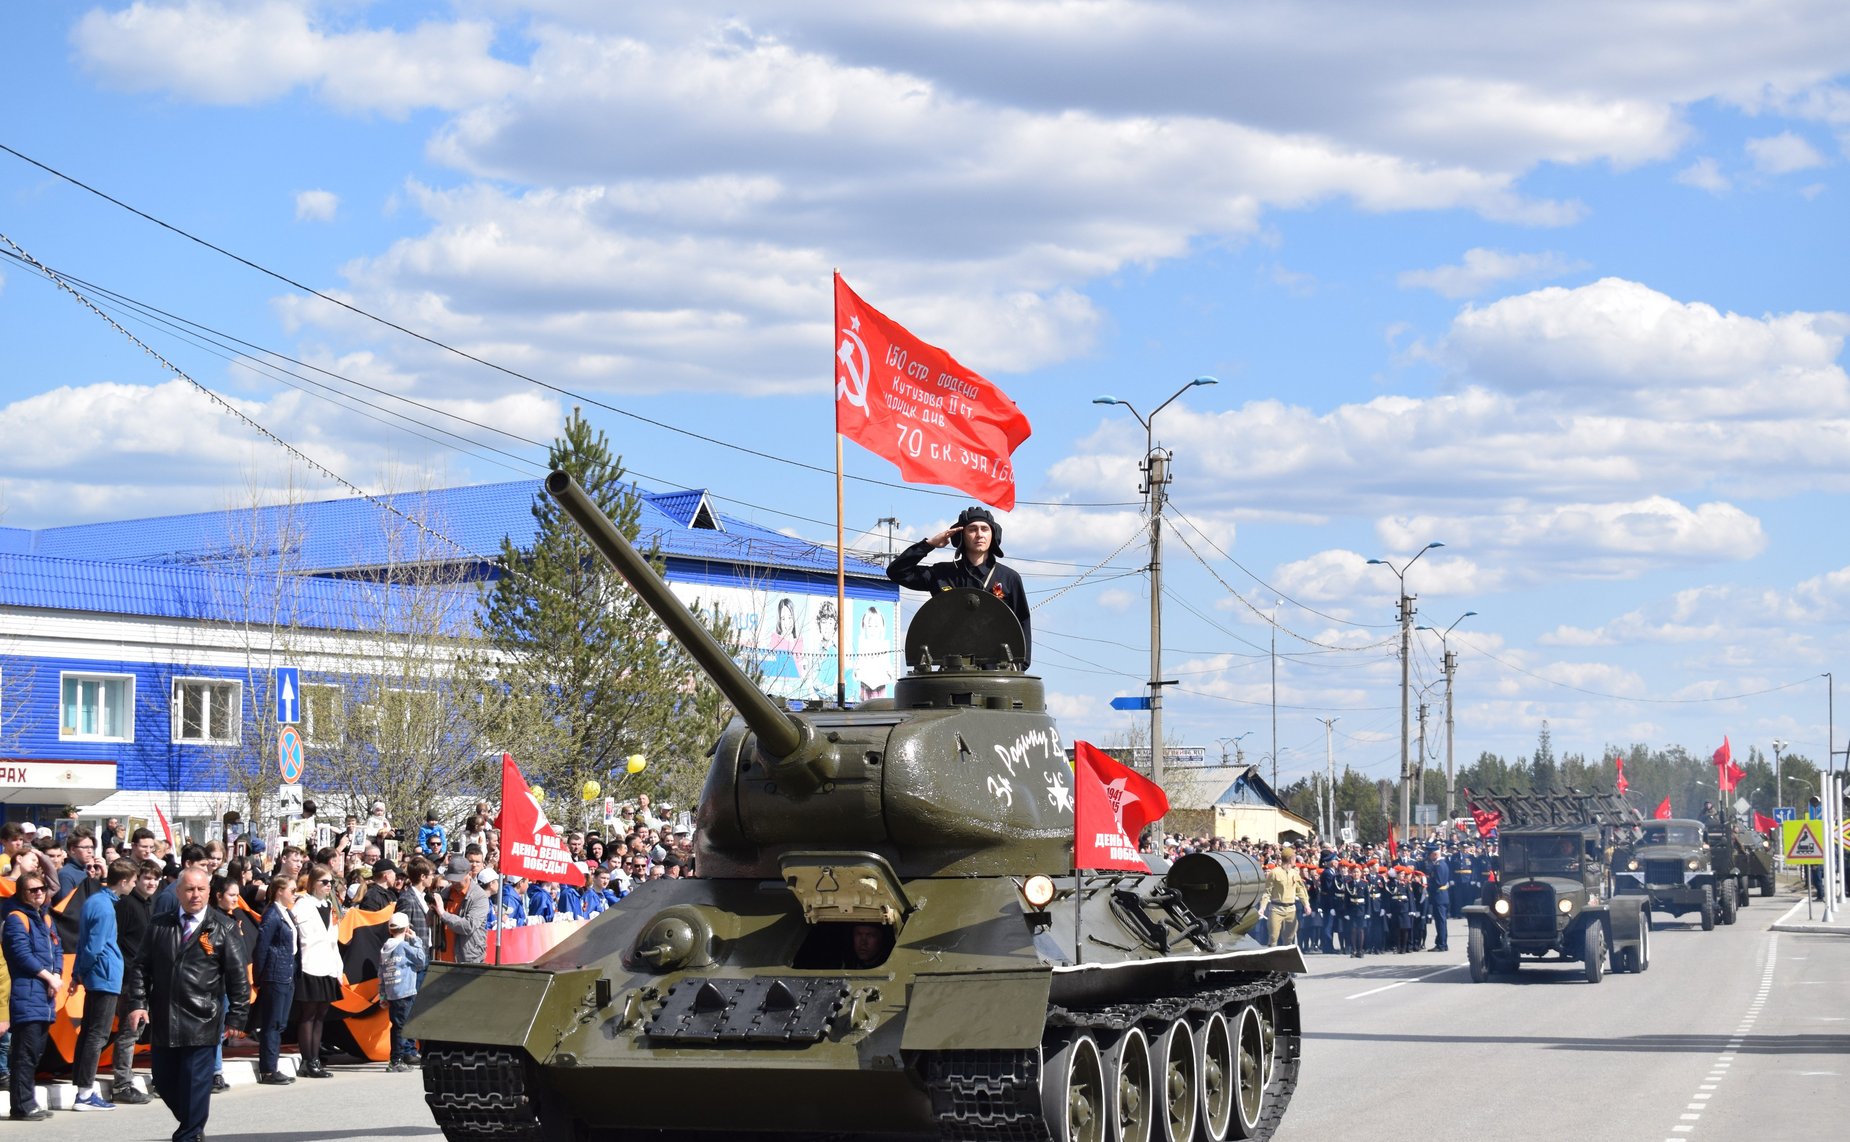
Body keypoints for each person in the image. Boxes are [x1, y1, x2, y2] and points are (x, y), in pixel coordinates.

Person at [123, 866, 250, 1142]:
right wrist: (138, 1003)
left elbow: (239, 977)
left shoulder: (223, 927)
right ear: (178, 892)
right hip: (165, 1019)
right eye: (190, 889)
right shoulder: (159, 924)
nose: (195, 895)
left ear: (209, 892)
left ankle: (189, 1134)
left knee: (195, 1085)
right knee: (164, 1081)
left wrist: (237, 1017)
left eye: (201, 889)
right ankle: (192, 1123)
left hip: (203, 1020)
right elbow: (141, 968)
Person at [886, 505, 1032, 666]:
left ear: (994, 534)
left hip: (997, 667)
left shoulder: (1008, 578)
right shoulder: (943, 574)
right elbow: (897, 572)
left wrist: (1021, 664)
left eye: (985, 529)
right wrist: (928, 545)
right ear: (960, 535)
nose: (979, 535)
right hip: (953, 667)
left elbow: (1022, 621)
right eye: (972, 529)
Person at [71, 858, 136, 1111]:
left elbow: (84, 942)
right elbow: (94, 946)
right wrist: (84, 971)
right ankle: (85, 1094)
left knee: (89, 1033)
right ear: (123, 881)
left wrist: (80, 972)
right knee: (96, 1035)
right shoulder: (105, 907)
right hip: (104, 977)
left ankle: (83, 1088)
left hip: (99, 975)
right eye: (132, 882)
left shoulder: (96, 901)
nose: (133, 886)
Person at [3, 872, 62, 1121]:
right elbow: (20, 954)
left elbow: (57, 948)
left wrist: (56, 974)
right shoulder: (17, 919)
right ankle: (22, 1105)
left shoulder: (45, 918)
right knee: (24, 1054)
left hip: (45, 995)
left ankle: (28, 1101)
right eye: (33, 889)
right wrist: (49, 977)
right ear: (22, 893)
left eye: (42, 888)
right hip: (27, 992)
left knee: (35, 1052)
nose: (40, 892)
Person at [291, 864, 343, 1078]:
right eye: (324, 882)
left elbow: (334, 941)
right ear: (313, 883)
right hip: (310, 965)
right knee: (308, 1015)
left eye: (330, 882)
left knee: (321, 1015)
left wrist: (338, 970)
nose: (328, 886)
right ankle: (308, 1060)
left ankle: (315, 1059)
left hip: (328, 965)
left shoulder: (330, 905)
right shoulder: (302, 905)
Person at [250, 875, 298, 1086]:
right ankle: (268, 1070)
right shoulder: (272, 915)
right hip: (275, 975)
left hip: (287, 974)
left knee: (280, 1023)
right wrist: (259, 976)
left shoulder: (286, 914)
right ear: (279, 891)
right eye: (292, 890)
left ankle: (273, 1065)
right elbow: (262, 947)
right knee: (272, 1023)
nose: (294, 895)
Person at [378, 913, 428, 1071]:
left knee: (397, 1025)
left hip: (392, 991)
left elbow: (381, 973)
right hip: (405, 991)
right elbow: (421, 959)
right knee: (402, 1027)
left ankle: (397, 1058)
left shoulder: (385, 948)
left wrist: (383, 995)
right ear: (407, 928)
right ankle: (396, 1060)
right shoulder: (404, 946)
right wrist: (415, 940)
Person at [431, 855, 491, 964]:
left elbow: (469, 926)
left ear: (469, 874)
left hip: (468, 959)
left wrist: (443, 914)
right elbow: (432, 920)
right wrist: (432, 909)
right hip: (442, 957)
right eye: (452, 879)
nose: (454, 882)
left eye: (457, 879)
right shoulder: (447, 891)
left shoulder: (479, 897)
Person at [1259, 845, 1311, 948]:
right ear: (1291, 859)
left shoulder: (1294, 873)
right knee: (1273, 937)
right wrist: (1262, 907)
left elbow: (1300, 890)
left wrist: (1306, 904)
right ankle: (1271, 960)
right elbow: (1267, 892)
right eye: (1294, 857)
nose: (1295, 859)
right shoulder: (1274, 873)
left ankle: (1286, 960)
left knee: (1289, 938)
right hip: (1276, 909)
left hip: (1291, 909)